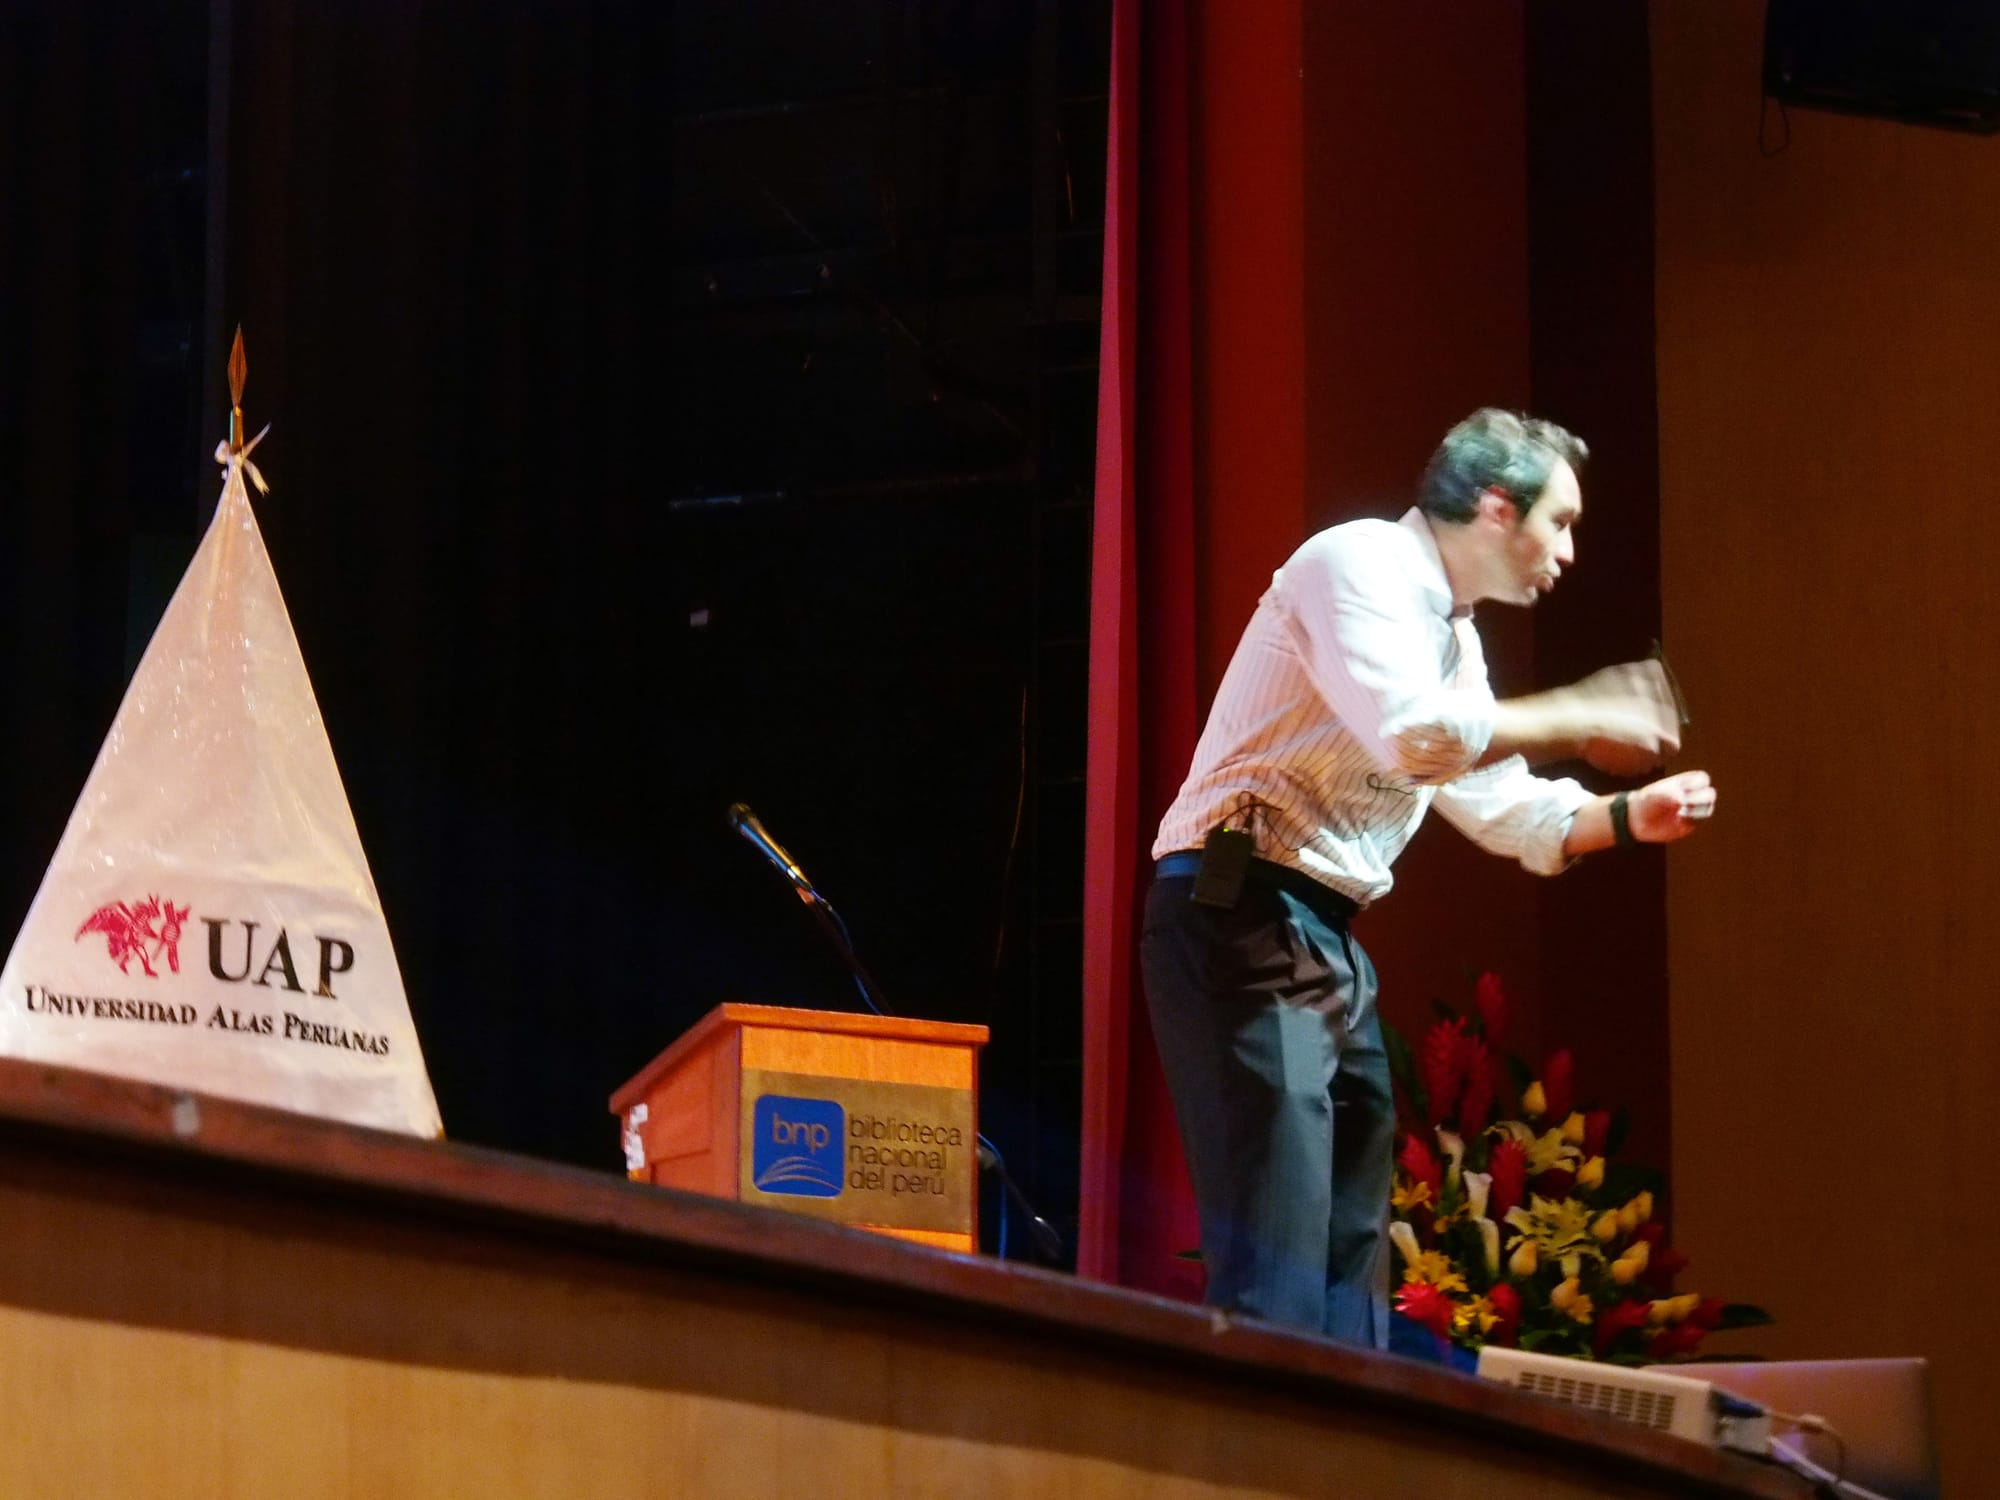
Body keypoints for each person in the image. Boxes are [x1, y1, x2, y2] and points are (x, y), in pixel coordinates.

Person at [1140, 408, 1714, 1346]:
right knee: (1278, 1272)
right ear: (1496, 507)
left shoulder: (1454, 642)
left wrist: (1624, 818)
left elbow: (1499, 804)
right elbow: (1414, 738)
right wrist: (1579, 713)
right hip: (1240, 913)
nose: (1568, 550)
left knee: (1350, 1278)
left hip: (1318, 935)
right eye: (1560, 521)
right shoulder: (1357, 561)